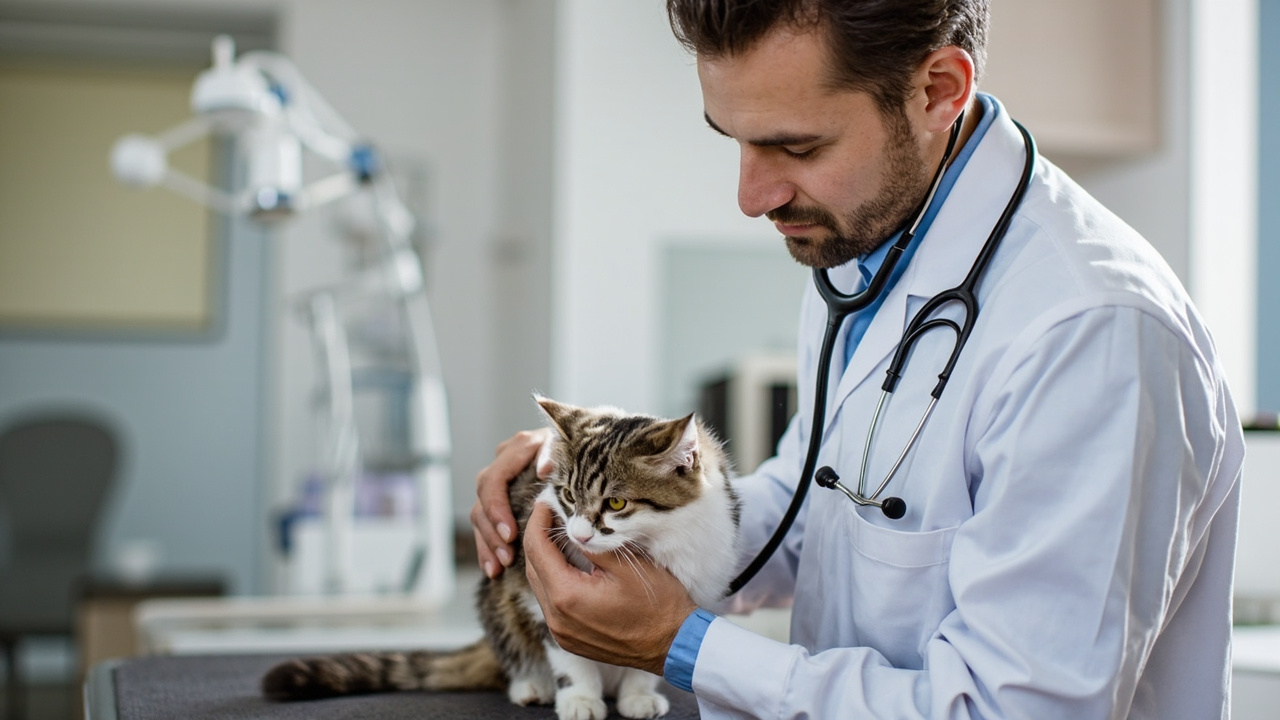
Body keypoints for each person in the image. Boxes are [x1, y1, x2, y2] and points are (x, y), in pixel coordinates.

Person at [472, 1, 1246, 717]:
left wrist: (685, 645)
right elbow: (819, 509)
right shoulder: (863, 256)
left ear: (939, 90)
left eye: (796, 145)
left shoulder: (1092, 331)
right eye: (735, 139)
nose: (752, 195)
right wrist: (622, 501)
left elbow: (1018, 708)